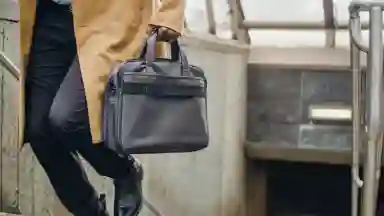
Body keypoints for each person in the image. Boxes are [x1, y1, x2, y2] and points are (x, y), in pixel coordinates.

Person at [18, 0, 185, 215]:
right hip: (49, 14)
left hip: (110, 16)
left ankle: (124, 170)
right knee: (39, 131)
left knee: (67, 120)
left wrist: (169, 14)